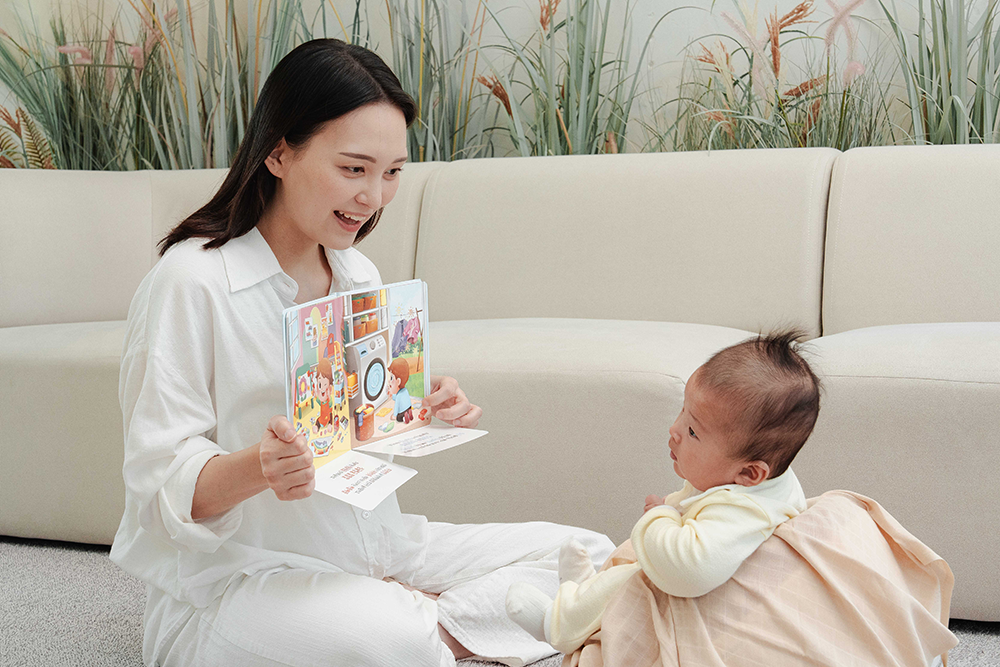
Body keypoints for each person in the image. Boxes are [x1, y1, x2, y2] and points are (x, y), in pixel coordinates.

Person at [109, 39, 614, 667]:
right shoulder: (191, 281)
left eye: (393, 172)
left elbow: (359, 429)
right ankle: (434, 625)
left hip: (379, 550)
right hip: (237, 584)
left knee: (590, 554)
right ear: (278, 152)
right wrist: (260, 467)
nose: (374, 197)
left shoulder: (357, 274)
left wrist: (421, 405)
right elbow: (157, 491)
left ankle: (427, 619)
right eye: (354, 169)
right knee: (389, 636)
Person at [506, 331, 821, 654]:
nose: (675, 429)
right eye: (683, 411)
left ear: (749, 473)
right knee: (629, 566)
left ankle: (557, 624)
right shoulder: (752, 481)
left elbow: (688, 570)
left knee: (630, 584)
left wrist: (660, 517)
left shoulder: (744, 513)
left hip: (710, 609)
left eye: (693, 431)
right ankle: (584, 589)